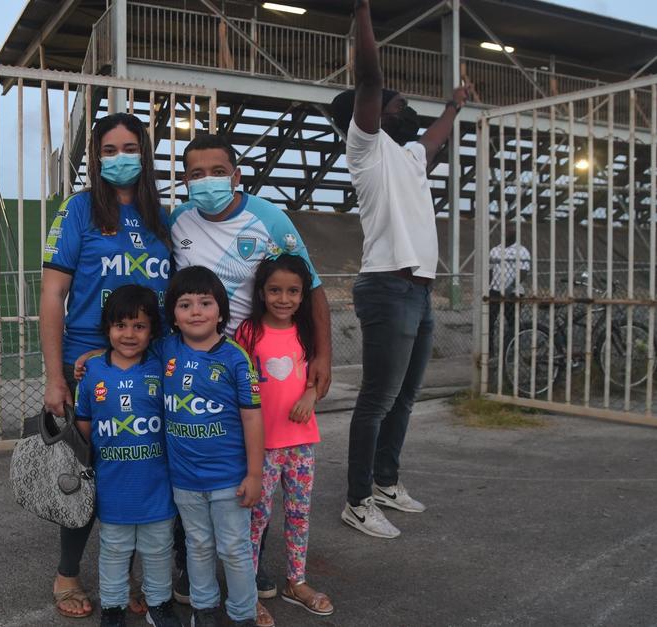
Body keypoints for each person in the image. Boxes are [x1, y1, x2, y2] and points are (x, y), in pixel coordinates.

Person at [329, 0, 473, 539]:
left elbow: (433, 137)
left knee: (405, 396)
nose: (406, 110)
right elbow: (370, 75)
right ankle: (357, 499)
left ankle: (386, 482)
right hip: (387, 287)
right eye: (400, 104)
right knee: (377, 399)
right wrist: (362, 10)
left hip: (418, 290)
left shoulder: (410, 156)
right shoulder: (365, 150)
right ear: (373, 111)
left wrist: (453, 107)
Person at [169, 133, 332, 600]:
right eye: (196, 174)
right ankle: (188, 562)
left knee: (248, 467)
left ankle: (249, 561)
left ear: (236, 175)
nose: (207, 182)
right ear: (185, 181)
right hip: (193, 364)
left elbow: (313, 286)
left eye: (217, 172)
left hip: (248, 366)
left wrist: (323, 355)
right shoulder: (178, 220)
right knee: (194, 461)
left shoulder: (268, 219)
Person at [39, 112, 170, 618]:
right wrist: (55, 375)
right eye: (109, 150)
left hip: (151, 365)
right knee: (86, 474)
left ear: (146, 153)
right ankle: (67, 574)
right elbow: (53, 295)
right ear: (95, 159)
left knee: (147, 469)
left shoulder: (163, 216)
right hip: (87, 366)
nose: (120, 158)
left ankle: (140, 576)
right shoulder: (77, 212)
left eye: (130, 147)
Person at [161, 266, 264, 627]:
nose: (196, 311)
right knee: (198, 546)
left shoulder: (236, 358)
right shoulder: (165, 350)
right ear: (173, 313)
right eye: (185, 304)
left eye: (205, 302)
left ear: (221, 310)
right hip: (185, 480)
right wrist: (88, 362)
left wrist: (254, 473)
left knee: (234, 550)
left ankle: (242, 614)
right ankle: (204, 610)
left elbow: (253, 418)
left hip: (228, 480)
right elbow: (125, 355)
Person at [235, 255, 334, 626]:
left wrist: (310, 395)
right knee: (256, 519)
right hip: (262, 445)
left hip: (302, 442)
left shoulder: (307, 332)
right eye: (275, 290)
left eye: (293, 291)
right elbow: (238, 381)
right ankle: (246, 593)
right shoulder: (248, 333)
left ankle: (297, 581)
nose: (283, 298)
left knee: (299, 515)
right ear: (261, 292)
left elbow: (313, 376)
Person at [74, 285, 181, 627]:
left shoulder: (161, 367)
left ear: (153, 331)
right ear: (107, 329)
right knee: (114, 551)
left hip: (156, 485)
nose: (129, 334)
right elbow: (84, 424)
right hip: (113, 485)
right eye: (121, 326)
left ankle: (159, 605)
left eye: (139, 326)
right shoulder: (93, 373)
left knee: (158, 550)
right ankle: (113, 608)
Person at [489, 223, 531, 353]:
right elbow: (490, 270)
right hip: (495, 291)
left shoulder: (522, 251)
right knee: (488, 321)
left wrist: (510, 288)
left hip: (513, 292)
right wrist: (489, 287)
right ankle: (489, 351)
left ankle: (511, 350)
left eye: (511, 230)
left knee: (512, 323)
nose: (508, 231)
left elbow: (523, 272)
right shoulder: (495, 250)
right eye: (507, 229)